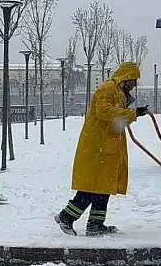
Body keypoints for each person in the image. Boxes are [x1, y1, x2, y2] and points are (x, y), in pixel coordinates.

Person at [55, 62, 149, 236]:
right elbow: (103, 112)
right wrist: (132, 113)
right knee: (92, 186)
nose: (134, 85)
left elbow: (114, 117)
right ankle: (66, 217)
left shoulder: (119, 92)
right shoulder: (107, 89)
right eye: (133, 80)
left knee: (104, 186)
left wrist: (133, 113)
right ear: (126, 78)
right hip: (97, 146)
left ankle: (95, 224)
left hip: (107, 145)